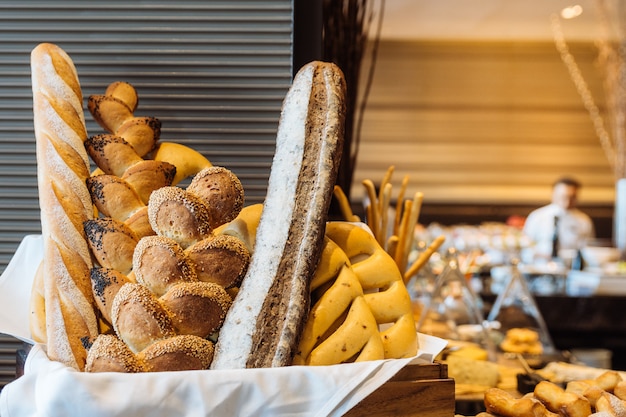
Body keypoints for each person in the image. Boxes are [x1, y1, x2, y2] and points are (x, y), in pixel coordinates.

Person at [522, 177, 595, 263]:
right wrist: (538, 255)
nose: (567, 202)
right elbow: (525, 246)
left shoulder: (584, 220)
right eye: (564, 197)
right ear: (553, 194)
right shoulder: (537, 216)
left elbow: (589, 250)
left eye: (572, 197)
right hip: (539, 268)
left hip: (570, 270)